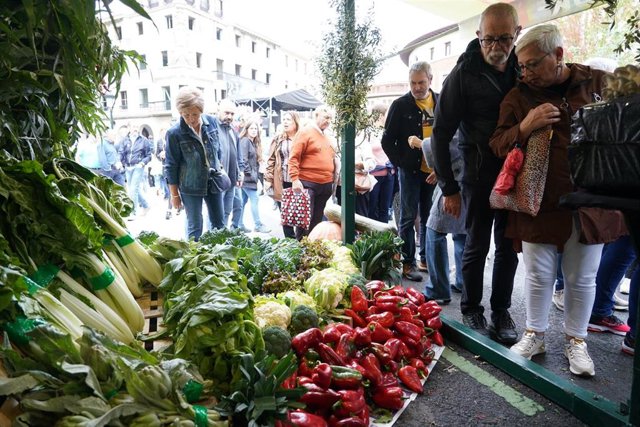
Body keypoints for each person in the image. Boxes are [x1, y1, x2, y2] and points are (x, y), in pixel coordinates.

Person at [489, 24, 615, 377]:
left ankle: (576, 341)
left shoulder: (600, 83)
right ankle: (535, 334)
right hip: (537, 199)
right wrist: (526, 125)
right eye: (522, 66)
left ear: (558, 55)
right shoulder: (519, 96)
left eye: (532, 64)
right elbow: (498, 143)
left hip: (592, 199)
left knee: (582, 276)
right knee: (539, 274)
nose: (525, 73)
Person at [431, 2, 521, 344]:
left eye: (504, 39)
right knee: (477, 243)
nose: (497, 48)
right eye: (490, 40)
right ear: (478, 36)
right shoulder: (462, 75)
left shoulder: (521, 66)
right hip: (478, 173)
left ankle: (501, 310)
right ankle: (471, 308)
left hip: (515, 172)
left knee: (508, 246)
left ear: (516, 35)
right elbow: (440, 133)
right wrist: (449, 187)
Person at [381, 61, 438, 282]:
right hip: (410, 171)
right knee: (407, 217)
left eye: (421, 82)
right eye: (413, 83)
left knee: (429, 217)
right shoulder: (400, 105)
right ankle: (408, 263)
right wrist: (401, 163)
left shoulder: (441, 101)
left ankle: (425, 259)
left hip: (434, 171)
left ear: (430, 80)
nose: (417, 87)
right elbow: (387, 141)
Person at [164, 86, 225, 241]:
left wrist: (220, 167)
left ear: (201, 111)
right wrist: (174, 195)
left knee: (220, 224)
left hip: (213, 180)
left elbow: (218, 149)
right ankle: (196, 260)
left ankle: (220, 259)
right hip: (189, 185)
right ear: (180, 113)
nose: (191, 118)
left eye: (195, 114)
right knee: (195, 226)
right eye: (186, 115)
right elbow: (171, 166)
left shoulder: (211, 122)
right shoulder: (174, 133)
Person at [422, 134, 466, 303]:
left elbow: (450, 144)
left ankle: (438, 289)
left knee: (435, 229)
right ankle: (463, 282)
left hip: (455, 183)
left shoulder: (460, 109)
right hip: (468, 177)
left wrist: (421, 143)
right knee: (463, 232)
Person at [288, 105, 336, 240]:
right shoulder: (305, 132)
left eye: (330, 119)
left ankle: (312, 248)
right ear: (316, 116)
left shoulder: (326, 136)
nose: (328, 121)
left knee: (317, 222)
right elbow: (294, 157)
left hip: (325, 184)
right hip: (308, 183)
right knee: (304, 222)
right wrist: (295, 179)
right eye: (326, 117)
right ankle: (301, 250)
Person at [265, 111, 301, 239]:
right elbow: (271, 159)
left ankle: (300, 240)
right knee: (285, 213)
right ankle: (290, 241)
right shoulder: (278, 138)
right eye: (283, 119)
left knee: (299, 212)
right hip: (282, 179)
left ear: (296, 122)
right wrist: (268, 178)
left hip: (298, 180)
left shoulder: (302, 137)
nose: (285, 122)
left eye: (288, 119)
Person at [215, 99, 246, 231]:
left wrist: (240, 173)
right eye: (227, 112)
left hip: (231, 181)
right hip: (217, 181)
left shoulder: (233, 130)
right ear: (218, 111)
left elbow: (238, 154)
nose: (230, 116)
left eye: (232, 114)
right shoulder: (212, 128)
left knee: (227, 212)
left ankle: (221, 238)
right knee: (216, 215)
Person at [239, 120, 270, 233]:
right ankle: (258, 224)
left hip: (249, 177)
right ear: (246, 130)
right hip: (247, 178)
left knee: (242, 201)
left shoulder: (252, 142)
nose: (253, 131)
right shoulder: (245, 141)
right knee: (254, 199)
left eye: (255, 129)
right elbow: (243, 160)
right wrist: (252, 175)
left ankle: (238, 224)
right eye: (251, 128)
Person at [368, 104, 395, 223]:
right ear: (380, 116)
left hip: (389, 174)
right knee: (372, 208)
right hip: (374, 175)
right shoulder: (368, 132)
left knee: (385, 208)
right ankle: (371, 237)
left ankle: (384, 237)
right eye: (386, 115)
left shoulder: (388, 131)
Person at [119, 125, 153, 217]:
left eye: (136, 127)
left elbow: (149, 155)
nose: (134, 129)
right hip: (128, 167)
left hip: (138, 167)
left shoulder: (144, 140)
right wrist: (120, 162)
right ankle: (146, 206)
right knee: (134, 189)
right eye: (133, 127)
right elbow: (121, 153)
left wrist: (142, 163)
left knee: (133, 189)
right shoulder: (124, 140)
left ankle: (133, 212)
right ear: (129, 129)